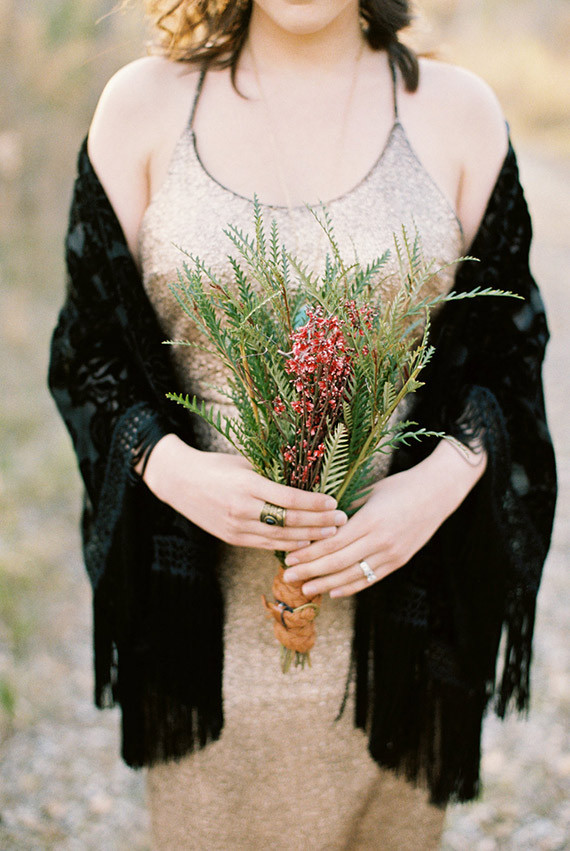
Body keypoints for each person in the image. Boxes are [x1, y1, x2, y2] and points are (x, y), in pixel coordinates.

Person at [48, 1, 557, 848]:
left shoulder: (457, 113)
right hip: (208, 643)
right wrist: (173, 466)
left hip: (400, 641)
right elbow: (88, 353)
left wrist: (434, 488)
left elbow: (510, 353)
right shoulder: (142, 106)